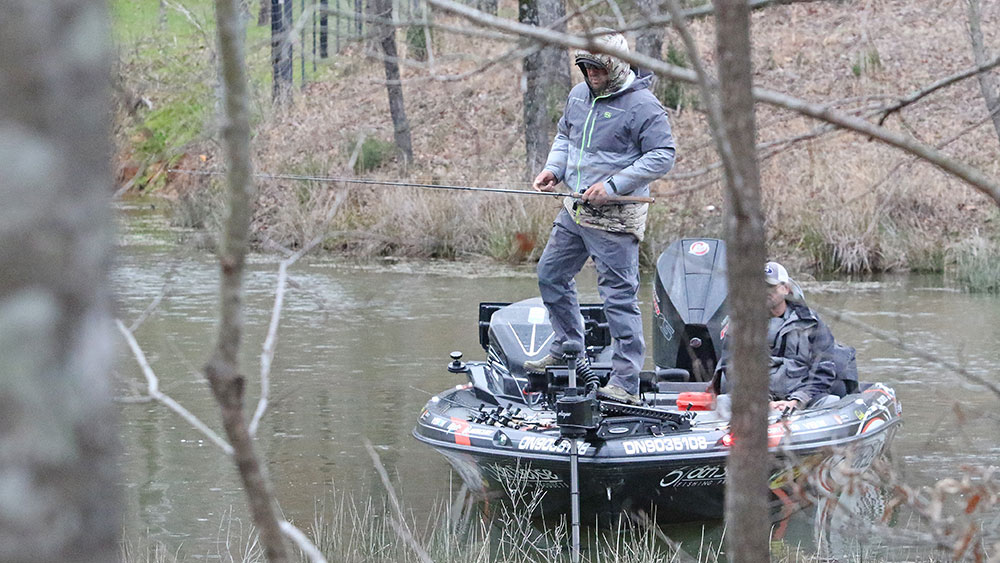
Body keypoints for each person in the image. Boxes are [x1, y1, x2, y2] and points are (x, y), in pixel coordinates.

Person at [522, 28, 676, 406]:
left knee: (618, 298)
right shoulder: (578, 95)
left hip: (616, 218)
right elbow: (565, 137)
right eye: (587, 68)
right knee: (550, 274)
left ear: (618, 66)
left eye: (599, 69)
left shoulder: (643, 106)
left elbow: (663, 155)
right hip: (575, 209)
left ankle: (626, 382)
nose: (592, 75)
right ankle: (568, 346)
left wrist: (614, 185)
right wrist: (554, 170)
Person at [716, 261, 839, 412]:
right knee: (723, 402)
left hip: (801, 401)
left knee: (831, 402)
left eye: (770, 286)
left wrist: (797, 401)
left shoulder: (812, 323)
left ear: (785, 288)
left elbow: (823, 370)